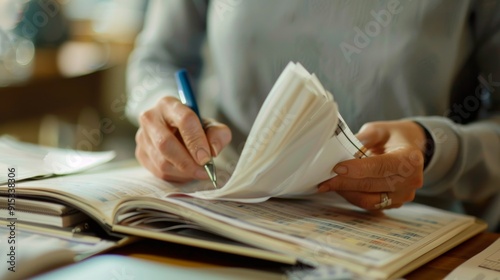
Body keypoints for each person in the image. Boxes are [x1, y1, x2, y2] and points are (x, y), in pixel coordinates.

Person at [126, 0, 500, 230]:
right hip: (223, 221)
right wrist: (163, 112)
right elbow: (158, 60)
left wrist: (434, 149)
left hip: (403, 230)